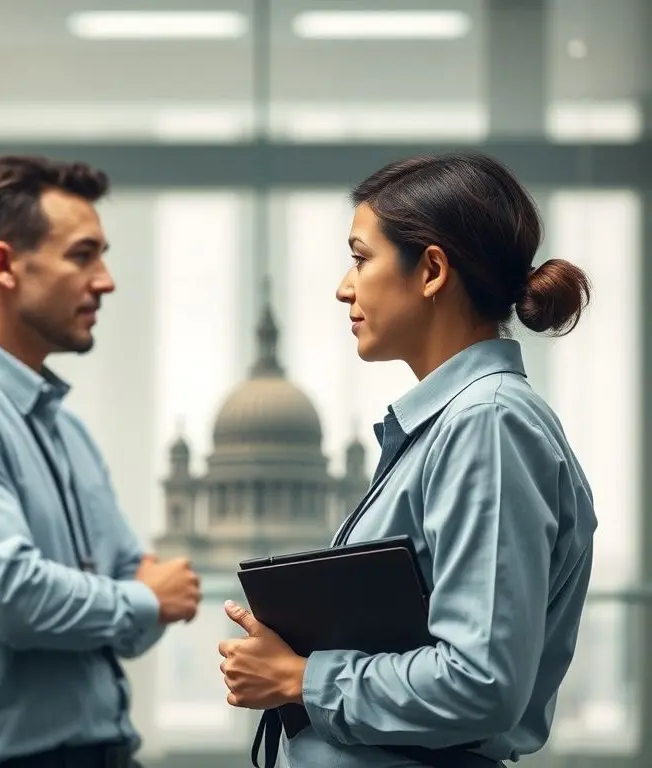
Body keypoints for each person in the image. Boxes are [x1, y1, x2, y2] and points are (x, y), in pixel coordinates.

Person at [218, 152, 597, 768]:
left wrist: (300, 680)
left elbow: (481, 683)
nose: (345, 286)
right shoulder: (458, 424)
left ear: (431, 271)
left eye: (361, 258)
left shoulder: (487, 424)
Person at [0, 155, 202, 768]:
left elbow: (127, 607)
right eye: (83, 255)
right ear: (3, 265)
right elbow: (16, 599)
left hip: (103, 752)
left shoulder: (65, 429)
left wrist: (131, 600)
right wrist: (140, 598)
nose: (105, 280)